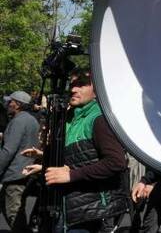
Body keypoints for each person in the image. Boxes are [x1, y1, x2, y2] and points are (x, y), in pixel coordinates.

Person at [44, 67, 129, 232]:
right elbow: (78, 157)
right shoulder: (69, 118)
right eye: (72, 84)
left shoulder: (99, 119)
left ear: (97, 90)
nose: (73, 89)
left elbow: (116, 163)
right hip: (65, 208)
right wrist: (45, 164)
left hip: (89, 213)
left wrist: (71, 175)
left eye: (81, 84)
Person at [0, 91, 39, 230]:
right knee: (13, 209)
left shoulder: (18, 121)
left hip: (15, 174)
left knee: (14, 215)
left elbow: (8, 150)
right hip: (25, 171)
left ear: (18, 105)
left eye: (10, 101)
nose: (7, 104)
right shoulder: (31, 120)